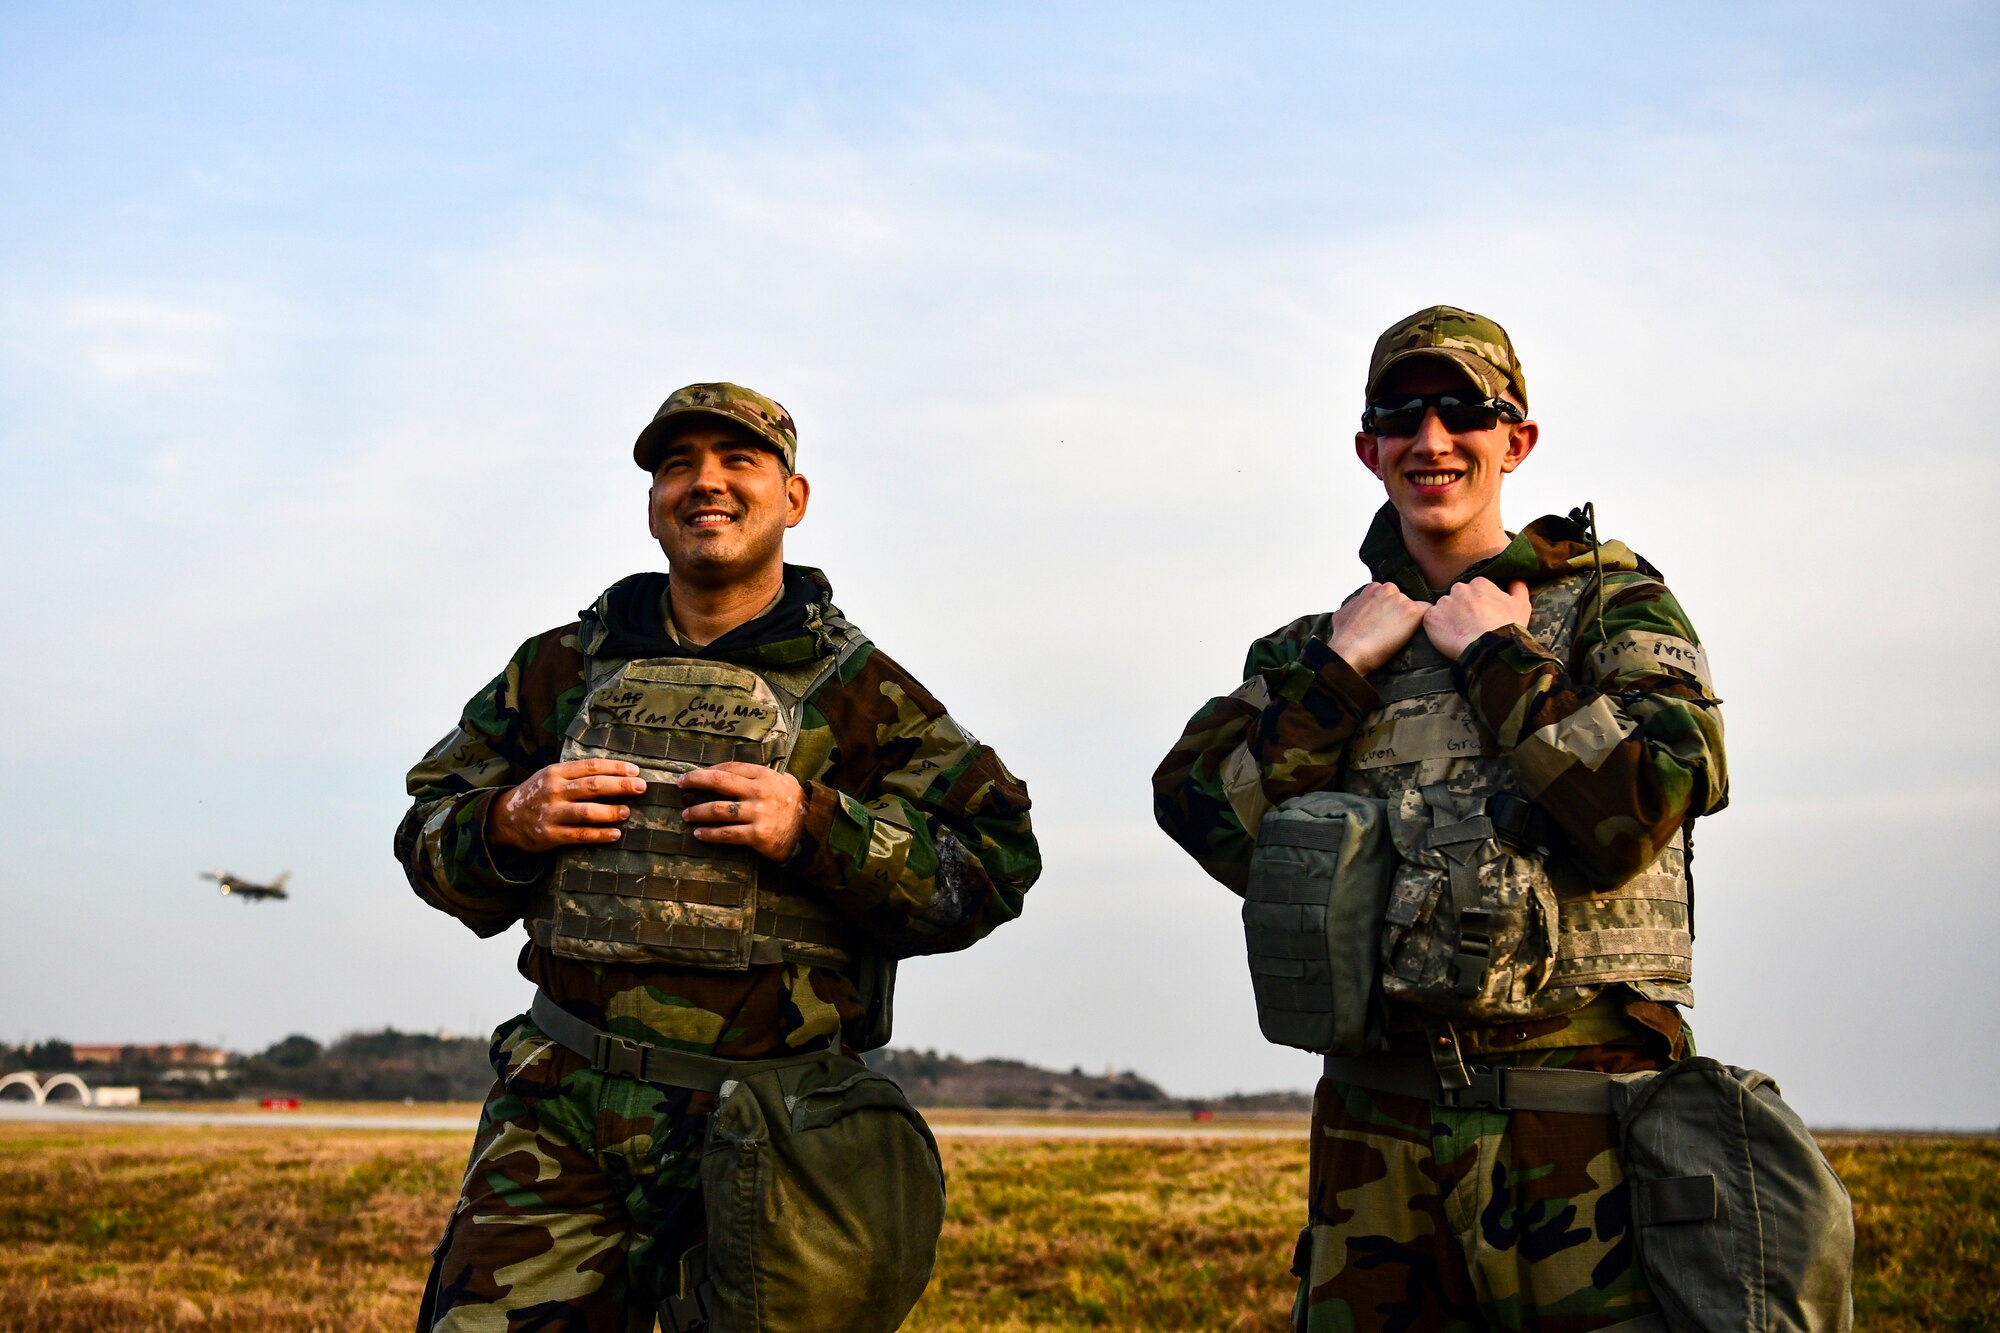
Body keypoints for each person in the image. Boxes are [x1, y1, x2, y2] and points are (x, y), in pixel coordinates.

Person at [397, 382, 1040, 1332]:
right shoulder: (557, 671)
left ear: (794, 497)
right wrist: (506, 821)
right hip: (562, 1107)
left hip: (772, 1127)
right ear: (652, 503)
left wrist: (818, 827)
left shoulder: (862, 692)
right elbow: (425, 832)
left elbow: (995, 861)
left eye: (738, 461)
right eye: (676, 465)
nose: (706, 483)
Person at [1153, 307, 1727, 1331]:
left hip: (1577, 1125)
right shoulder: (1312, 649)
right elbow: (1205, 817)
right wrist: (1339, 675)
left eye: (1463, 409)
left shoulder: (1611, 609)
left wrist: (1498, 660)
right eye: (1400, 414)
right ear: (1367, 448)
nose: (1431, 439)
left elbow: (1633, 813)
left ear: (1517, 439)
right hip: (1378, 1136)